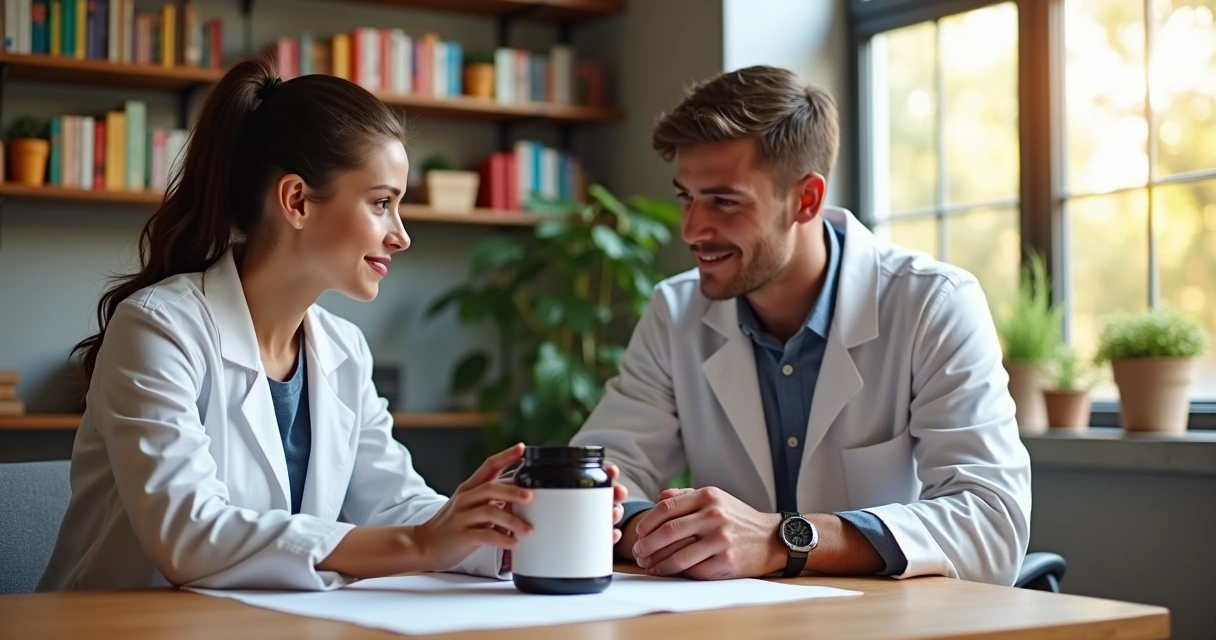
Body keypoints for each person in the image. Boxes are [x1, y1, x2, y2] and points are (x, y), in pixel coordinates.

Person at [38, 55, 626, 592]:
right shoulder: (158, 329)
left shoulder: (343, 348)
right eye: (380, 203)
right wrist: (423, 543)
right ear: (296, 200)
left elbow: (392, 506)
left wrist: (508, 526)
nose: (401, 234)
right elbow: (189, 536)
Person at [569, 66, 1031, 586]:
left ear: (806, 199)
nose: (693, 229)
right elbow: (600, 485)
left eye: (723, 200)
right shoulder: (675, 312)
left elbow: (992, 526)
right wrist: (668, 532)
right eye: (686, 197)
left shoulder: (933, 303)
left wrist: (778, 540)